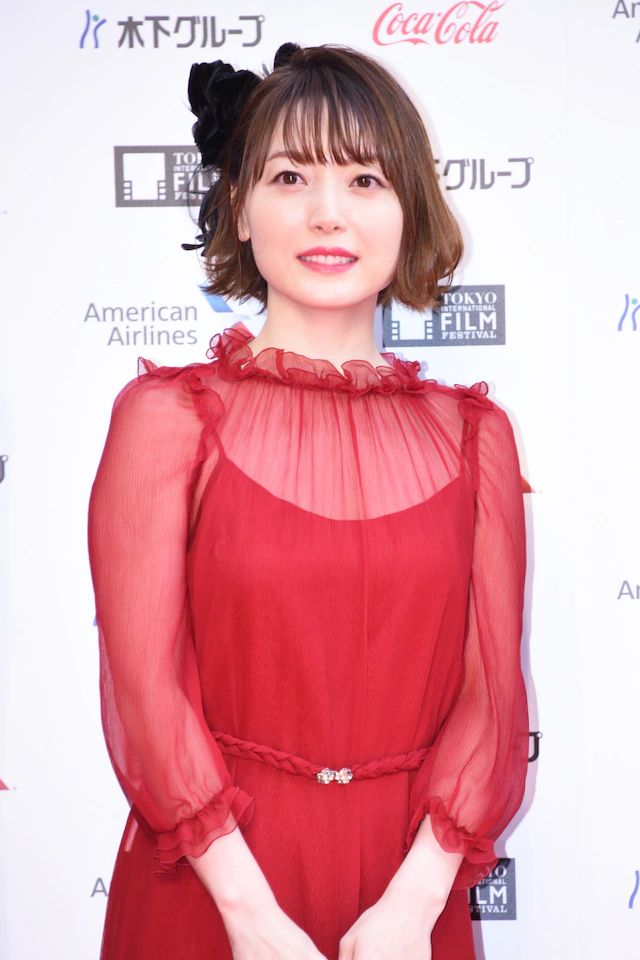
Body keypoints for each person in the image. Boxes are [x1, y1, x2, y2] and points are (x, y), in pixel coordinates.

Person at [87, 41, 529, 960]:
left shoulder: (476, 436)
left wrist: (415, 904)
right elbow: (145, 690)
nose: (328, 211)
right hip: (213, 885)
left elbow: (491, 700)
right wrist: (248, 916)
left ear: (410, 209)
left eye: (365, 179)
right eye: (290, 176)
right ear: (239, 210)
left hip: (410, 891)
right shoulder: (167, 419)